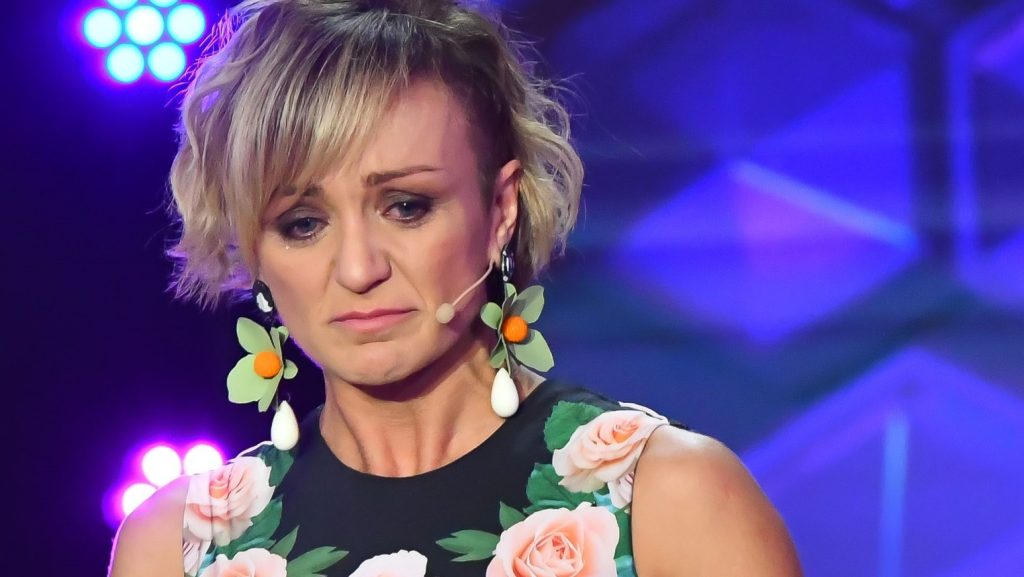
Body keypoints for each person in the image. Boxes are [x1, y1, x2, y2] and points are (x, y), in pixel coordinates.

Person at [108, 1, 803, 576]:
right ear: (254, 247)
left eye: (406, 205)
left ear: (498, 211)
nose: (357, 268)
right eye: (303, 222)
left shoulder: (669, 500)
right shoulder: (177, 547)